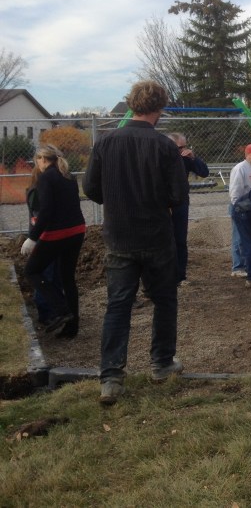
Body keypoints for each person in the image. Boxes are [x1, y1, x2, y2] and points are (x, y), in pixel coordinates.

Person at [83, 80, 189, 406]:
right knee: (164, 300)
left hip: (119, 237)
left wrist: (118, 200)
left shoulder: (105, 143)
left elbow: (90, 189)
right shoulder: (164, 147)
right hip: (156, 237)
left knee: (118, 305)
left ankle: (111, 378)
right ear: (160, 108)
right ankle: (161, 364)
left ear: (132, 105)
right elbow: (178, 195)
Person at [21, 145, 86, 338]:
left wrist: (33, 238)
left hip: (58, 233)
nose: (37, 164)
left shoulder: (46, 178)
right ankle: (72, 327)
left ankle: (61, 309)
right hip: (77, 230)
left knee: (31, 271)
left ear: (42, 159)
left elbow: (46, 210)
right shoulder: (69, 176)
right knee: (68, 278)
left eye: (37, 160)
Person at [23, 163, 64, 328]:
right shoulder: (37, 192)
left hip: (53, 239)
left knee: (55, 276)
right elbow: (39, 218)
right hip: (43, 240)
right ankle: (46, 314)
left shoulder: (45, 190)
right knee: (45, 276)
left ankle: (57, 311)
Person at [167, 132, 209, 286]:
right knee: (164, 239)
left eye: (184, 147)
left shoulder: (185, 158)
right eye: (180, 147)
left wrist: (193, 158)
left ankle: (180, 275)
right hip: (163, 203)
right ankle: (164, 275)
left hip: (181, 202)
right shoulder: (161, 157)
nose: (183, 150)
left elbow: (204, 172)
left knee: (180, 239)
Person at [228, 143, 251, 277]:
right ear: (247, 155)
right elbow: (235, 191)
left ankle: (249, 264)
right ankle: (237, 267)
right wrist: (238, 207)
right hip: (240, 206)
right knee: (239, 237)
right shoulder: (240, 168)